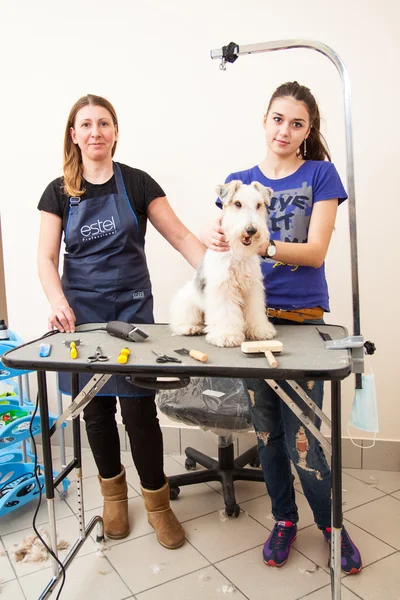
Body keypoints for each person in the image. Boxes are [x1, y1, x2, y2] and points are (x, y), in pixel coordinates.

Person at [203, 81, 362, 574]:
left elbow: (314, 252)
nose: (285, 130)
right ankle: (284, 519)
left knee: (302, 436)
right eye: (278, 119)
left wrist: (260, 242)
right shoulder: (238, 181)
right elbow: (221, 253)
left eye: (297, 123)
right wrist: (218, 236)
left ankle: (332, 525)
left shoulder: (321, 174)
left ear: (307, 130)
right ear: (265, 120)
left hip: (300, 322)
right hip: (253, 322)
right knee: (268, 432)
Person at [37, 94, 205, 549]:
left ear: (115, 131)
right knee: (96, 411)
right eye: (86, 124)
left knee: (138, 409)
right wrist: (56, 301)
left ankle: (157, 503)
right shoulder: (58, 192)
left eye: (104, 123)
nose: (95, 132)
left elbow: (181, 236)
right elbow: (47, 257)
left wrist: (215, 279)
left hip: (132, 314)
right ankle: (113, 497)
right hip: (83, 319)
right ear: (74, 134)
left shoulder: (137, 183)